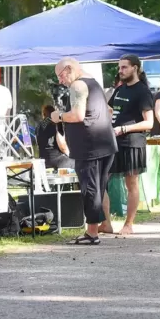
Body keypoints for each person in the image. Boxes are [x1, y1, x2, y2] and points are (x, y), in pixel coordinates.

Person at [51, 58, 117, 244]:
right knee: (98, 187)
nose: (61, 81)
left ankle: (92, 233)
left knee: (90, 188)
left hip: (89, 145)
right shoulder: (93, 82)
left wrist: (59, 116)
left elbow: (78, 115)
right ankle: (98, 227)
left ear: (69, 69)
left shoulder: (78, 85)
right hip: (105, 142)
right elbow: (109, 110)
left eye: (60, 76)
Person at [106, 54, 154, 235]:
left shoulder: (143, 91)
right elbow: (110, 110)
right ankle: (105, 223)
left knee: (131, 183)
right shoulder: (119, 90)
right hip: (114, 141)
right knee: (103, 179)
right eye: (119, 68)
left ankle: (128, 224)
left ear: (135, 68)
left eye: (124, 67)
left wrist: (125, 129)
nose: (120, 71)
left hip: (133, 142)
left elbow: (149, 123)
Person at [36, 104, 74, 170]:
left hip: (43, 160)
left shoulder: (39, 126)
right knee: (77, 164)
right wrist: (70, 155)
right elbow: (62, 145)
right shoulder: (56, 123)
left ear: (44, 114)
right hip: (57, 159)